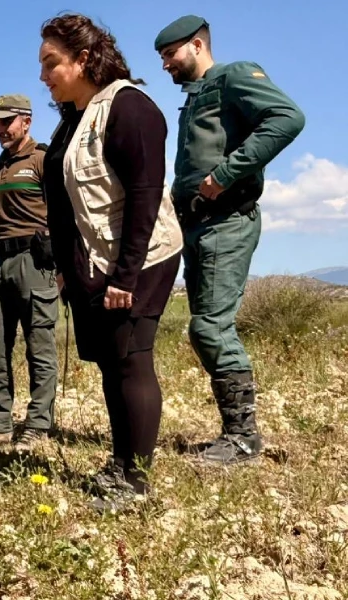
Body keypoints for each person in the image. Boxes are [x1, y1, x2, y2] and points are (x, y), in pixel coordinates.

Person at [38, 13, 183, 511]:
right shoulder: (74, 119)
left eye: (51, 63)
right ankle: (121, 463)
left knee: (131, 359)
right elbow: (64, 205)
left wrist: (125, 275)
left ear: (83, 59)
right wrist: (65, 266)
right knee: (110, 363)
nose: (43, 75)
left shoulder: (128, 108)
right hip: (93, 262)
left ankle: (136, 482)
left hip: (139, 259)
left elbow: (144, 198)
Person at [154, 15, 306, 465]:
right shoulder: (196, 96)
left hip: (227, 220)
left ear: (197, 45)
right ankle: (237, 433)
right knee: (205, 326)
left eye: (170, 54)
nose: (165, 64)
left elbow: (287, 118)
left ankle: (243, 439)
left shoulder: (234, 76)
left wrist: (224, 175)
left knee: (210, 327)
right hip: (198, 224)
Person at [0, 94, 60, 454]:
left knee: (38, 348)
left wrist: (62, 265)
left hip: (34, 261)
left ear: (26, 120)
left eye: (6, 121)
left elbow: (64, 214)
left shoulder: (44, 160)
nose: (0, 129)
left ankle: (39, 424)